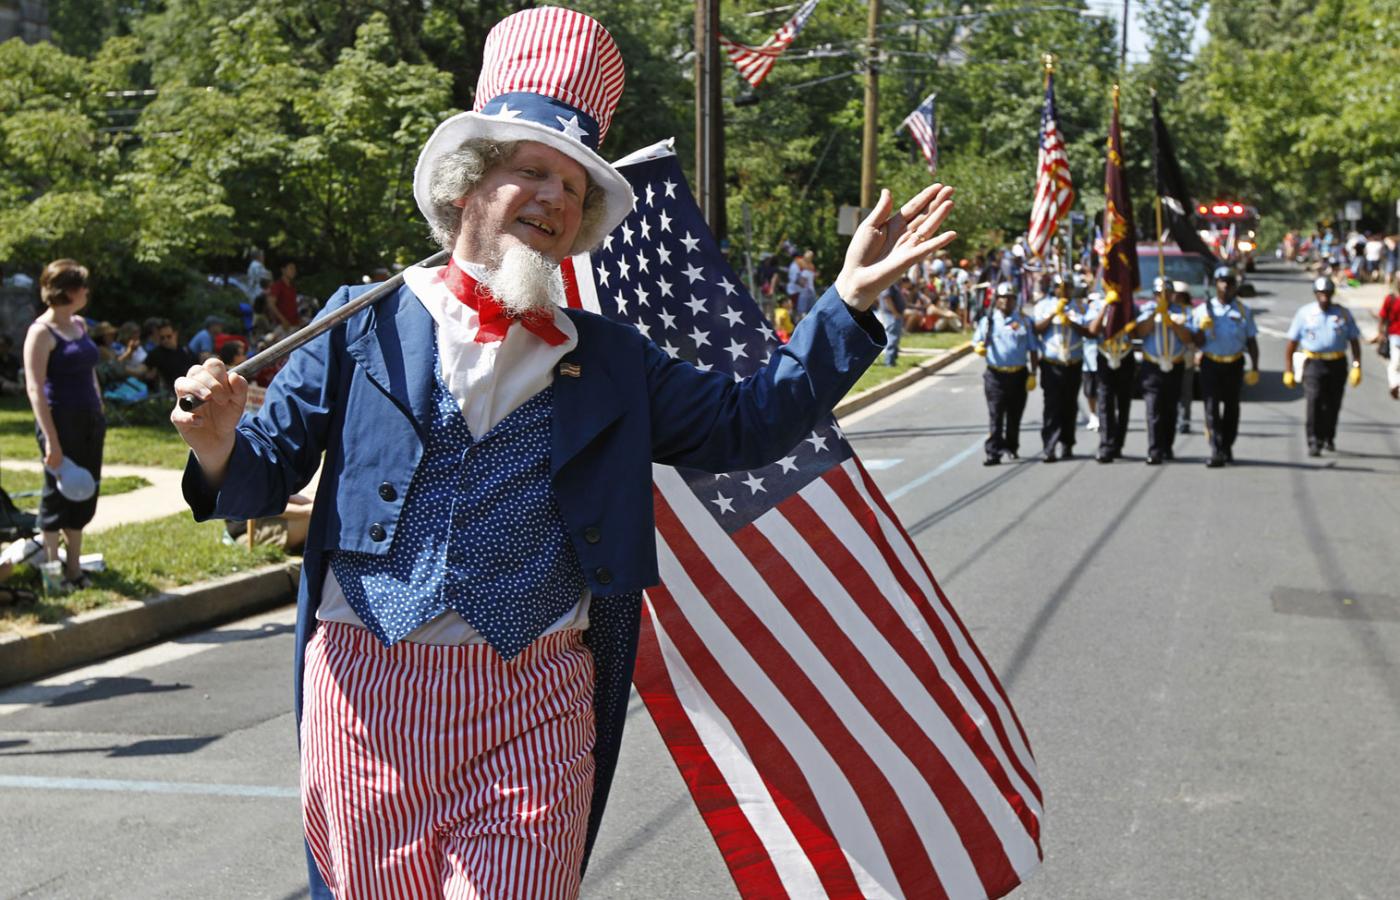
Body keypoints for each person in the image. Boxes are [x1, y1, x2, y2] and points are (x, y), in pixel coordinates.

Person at [170, 9, 957, 897]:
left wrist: (846, 303)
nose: (554, 197)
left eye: (575, 186)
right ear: (468, 185)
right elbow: (258, 476)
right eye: (531, 170)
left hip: (535, 701)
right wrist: (217, 443)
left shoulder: (611, 357)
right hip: (366, 699)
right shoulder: (363, 322)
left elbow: (752, 424)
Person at [22, 259, 104, 592]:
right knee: (56, 497)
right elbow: (34, 389)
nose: (87, 291)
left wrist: (99, 406)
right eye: (82, 285)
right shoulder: (41, 332)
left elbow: (90, 372)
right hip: (59, 422)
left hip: (90, 421)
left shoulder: (79, 324)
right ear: (68, 290)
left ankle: (74, 568)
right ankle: (53, 575)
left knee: (84, 491)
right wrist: (51, 442)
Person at [1284, 276, 1363, 455]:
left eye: (1327, 293)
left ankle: (1329, 436)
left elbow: (1354, 340)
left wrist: (1357, 365)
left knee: (1333, 402)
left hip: (1337, 362)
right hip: (1313, 363)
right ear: (1315, 294)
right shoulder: (1305, 313)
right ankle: (1314, 440)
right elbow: (1291, 343)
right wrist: (1288, 370)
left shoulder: (1342, 314)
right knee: (1314, 400)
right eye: (1321, 293)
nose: (1324, 297)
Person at [1191, 266, 1261, 467]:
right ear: (1216, 284)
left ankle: (1227, 446)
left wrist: (1255, 367)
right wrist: (1201, 330)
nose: (1226, 286)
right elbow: (1195, 342)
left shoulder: (1243, 311)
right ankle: (1216, 449)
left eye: (1230, 283)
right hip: (1210, 363)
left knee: (1232, 407)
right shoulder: (1203, 310)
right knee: (1211, 407)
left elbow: (1251, 341)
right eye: (1222, 282)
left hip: (1234, 363)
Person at [974, 281, 1039, 466]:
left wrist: (1033, 373)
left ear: (1015, 300)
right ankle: (993, 452)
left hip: (1018, 374)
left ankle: (1011, 447)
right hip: (995, 375)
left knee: (1014, 415)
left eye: (1010, 298)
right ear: (997, 300)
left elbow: (1033, 348)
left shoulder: (1024, 321)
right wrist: (978, 347)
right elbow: (977, 341)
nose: (1006, 301)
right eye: (1003, 298)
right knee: (996, 415)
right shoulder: (988, 321)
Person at [1131, 276, 1194, 465]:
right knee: (1153, 408)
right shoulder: (1147, 309)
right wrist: (1155, 315)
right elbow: (1139, 332)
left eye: (1167, 293)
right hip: (1153, 366)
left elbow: (1188, 337)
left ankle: (1167, 447)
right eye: (1160, 293)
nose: (1164, 297)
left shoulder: (1183, 311)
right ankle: (1154, 450)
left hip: (1174, 365)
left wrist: (1172, 323)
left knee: (1170, 408)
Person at [1031, 274, 1088, 462]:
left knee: (1070, 406)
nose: (1064, 290)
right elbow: (1036, 329)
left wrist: (1070, 321)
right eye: (1059, 287)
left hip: (1073, 363)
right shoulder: (1043, 306)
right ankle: (1049, 446)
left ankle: (1067, 443)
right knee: (1052, 406)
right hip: (1051, 364)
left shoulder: (1080, 307)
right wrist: (1054, 314)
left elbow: (1088, 331)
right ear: (1053, 288)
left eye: (1068, 287)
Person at [144, 319, 196, 393]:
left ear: (175, 334)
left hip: (192, 388)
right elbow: (144, 370)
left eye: (169, 336)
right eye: (162, 338)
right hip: (172, 393)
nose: (165, 340)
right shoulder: (156, 354)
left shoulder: (185, 349)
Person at [1371, 273, 1400, 399]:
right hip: (1395, 336)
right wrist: (1380, 333)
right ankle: (1394, 385)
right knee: (1395, 362)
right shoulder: (1391, 299)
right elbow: (1382, 317)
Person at [878, 277, 909, 366]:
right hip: (891, 315)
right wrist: (895, 313)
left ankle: (893, 360)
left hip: (895, 314)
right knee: (892, 337)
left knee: (896, 338)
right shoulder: (888, 284)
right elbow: (887, 299)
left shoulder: (893, 284)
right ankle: (889, 361)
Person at [269, 261, 301, 328]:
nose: (294, 271)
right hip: (283, 326)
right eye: (291, 268)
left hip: (295, 324)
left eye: (294, 269)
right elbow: (271, 305)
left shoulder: (292, 287)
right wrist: (283, 320)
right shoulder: (277, 286)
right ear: (283, 270)